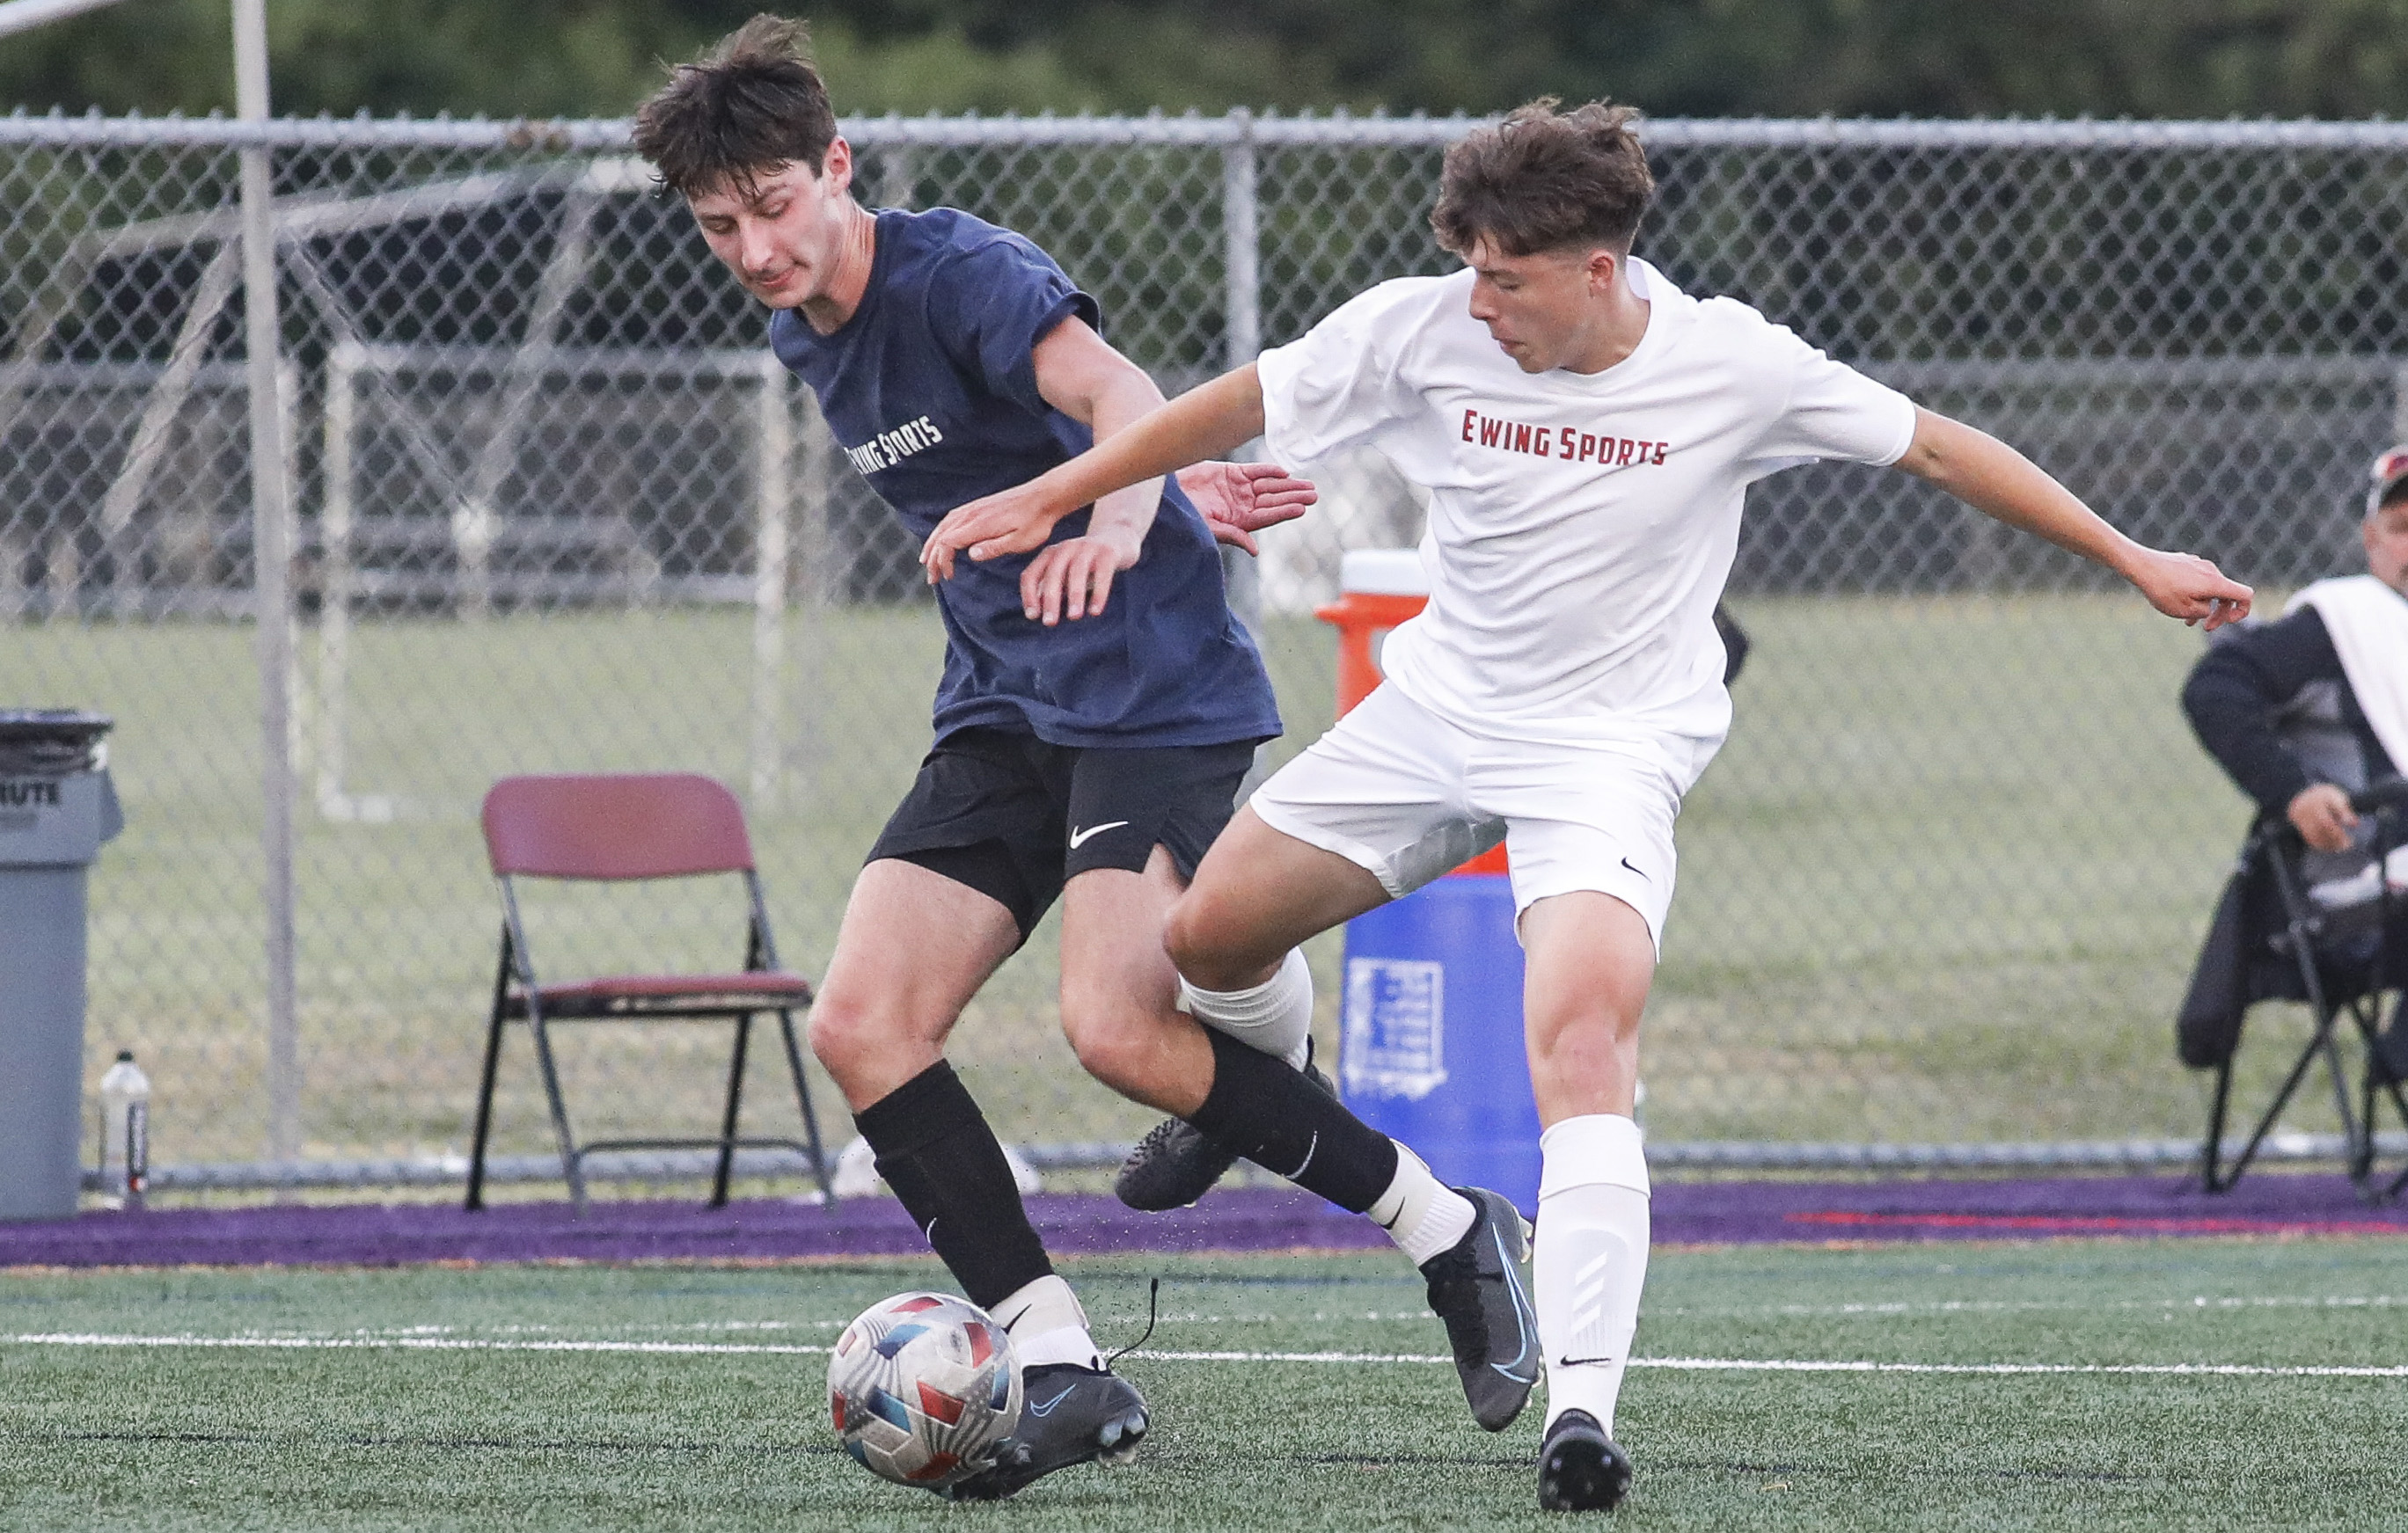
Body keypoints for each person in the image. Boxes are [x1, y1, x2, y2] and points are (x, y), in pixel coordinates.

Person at [922, 99, 2254, 1512]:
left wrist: (2130, 555)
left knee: (1579, 1035)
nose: (1479, 302)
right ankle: (1263, 1096)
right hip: (1435, 714)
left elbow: (1933, 446)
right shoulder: (1422, 324)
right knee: (1202, 944)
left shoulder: (1729, 363)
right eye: (1472, 272)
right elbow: (1240, 399)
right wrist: (1055, 491)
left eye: (1507, 278)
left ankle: (1582, 1409)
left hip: (1607, 754)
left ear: (1597, 267)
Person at [632, 17, 1543, 1499]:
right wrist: (1177, 482)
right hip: (1002, 700)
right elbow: (1046, 441)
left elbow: (1109, 392)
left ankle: (1451, 1230)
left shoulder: (957, 272)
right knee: (861, 1020)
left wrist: (1130, 512)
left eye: (775, 207)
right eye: (718, 225)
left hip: (1152, 686)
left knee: (1115, 1028)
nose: (753, 248)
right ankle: (1055, 1359)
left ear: (837, 167)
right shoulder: (799, 329)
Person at [2180, 445, 2408, 1072]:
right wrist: (2294, 790)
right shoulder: (2344, 623)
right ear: (2371, 541)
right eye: (2401, 528)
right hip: (2363, 886)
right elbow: (2216, 690)